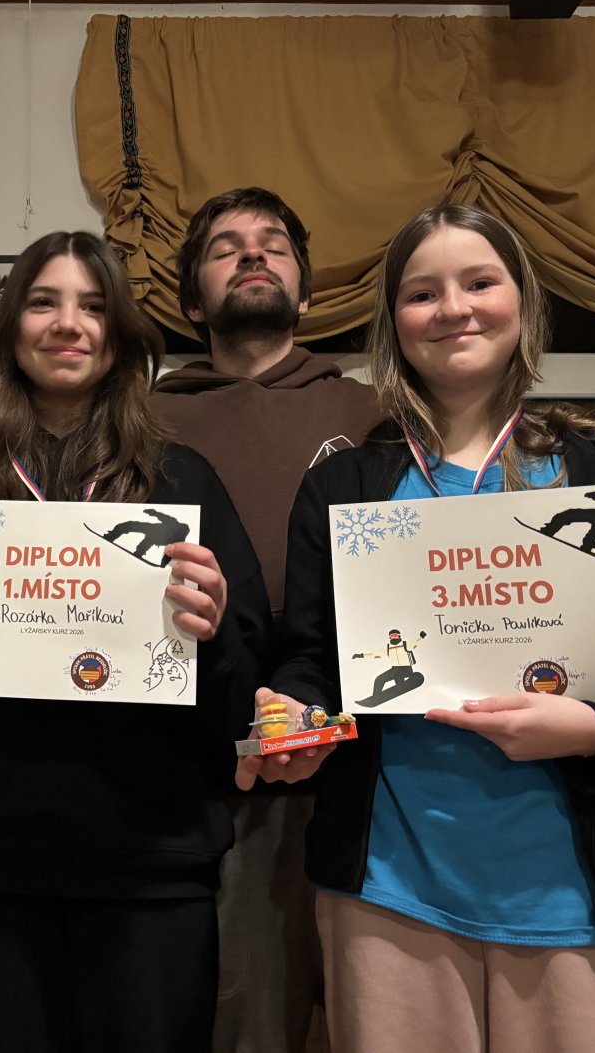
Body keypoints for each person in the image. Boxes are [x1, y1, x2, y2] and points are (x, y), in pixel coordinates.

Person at [269, 204, 595, 1052]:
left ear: (522, 301)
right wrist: (294, 718)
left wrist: (590, 729)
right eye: (422, 293)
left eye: (479, 282)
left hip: (587, 908)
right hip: (389, 900)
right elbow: (310, 665)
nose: (454, 307)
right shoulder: (344, 488)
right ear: (393, 322)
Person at [0, 231, 272, 1052]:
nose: (68, 324)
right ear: (13, 325)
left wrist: (216, 634)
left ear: (120, 331)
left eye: (93, 305)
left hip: (152, 874)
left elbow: (242, 705)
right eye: (44, 302)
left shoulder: (181, 482)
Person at [151, 187, 380, 1053]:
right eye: (225, 247)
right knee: (251, 1022)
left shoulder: (375, 416)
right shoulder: (143, 422)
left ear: (308, 292)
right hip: (222, 776)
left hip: (376, 769)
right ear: (190, 300)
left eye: (273, 244)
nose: (251, 254)